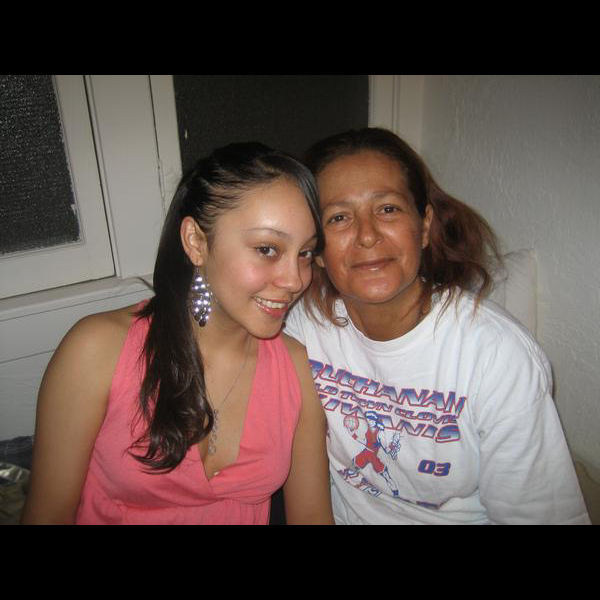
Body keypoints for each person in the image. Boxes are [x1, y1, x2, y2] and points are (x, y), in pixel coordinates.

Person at [284, 127, 590, 524]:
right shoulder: (303, 327)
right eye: (339, 217)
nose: (367, 236)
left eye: (388, 209)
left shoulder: (496, 355)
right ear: (316, 248)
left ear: (424, 226)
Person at [20, 142, 334, 525]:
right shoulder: (96, 350)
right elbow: (48, 514)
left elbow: (312, 516)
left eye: (305, 253)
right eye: (267, 249)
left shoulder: (296, 368)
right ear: (196, 242)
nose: (295, 280)